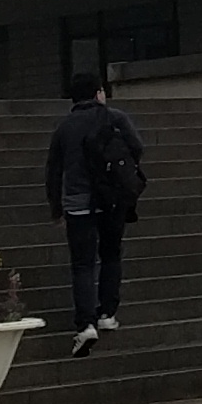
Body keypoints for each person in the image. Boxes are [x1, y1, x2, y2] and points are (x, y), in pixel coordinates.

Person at [43, 71, 147, 358]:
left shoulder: (64, 128)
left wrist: (56, 209)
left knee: (83, 264)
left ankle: (86, 323)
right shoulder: (115, 118)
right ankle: (107, 313)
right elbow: (137, 147)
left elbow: (53, 172)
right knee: (111, 254)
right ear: (99, 93)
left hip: (78, 204)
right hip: (113, 200)